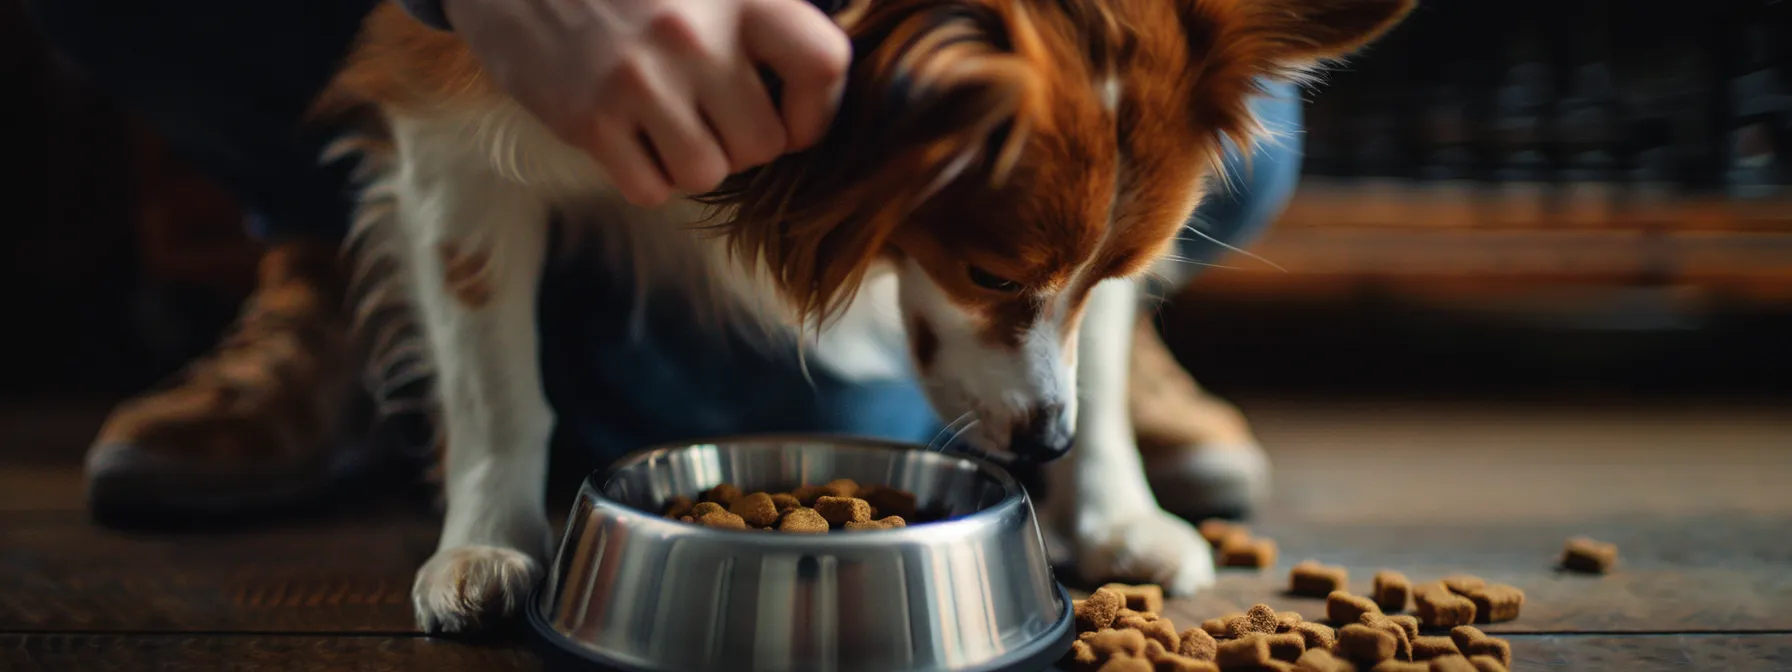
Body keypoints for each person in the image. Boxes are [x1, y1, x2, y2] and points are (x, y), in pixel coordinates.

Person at [29, 0, 1298, 524]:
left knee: (1250, 156)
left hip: (867, 123)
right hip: (522, 66)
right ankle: (320, 244)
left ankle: (1095, 270)